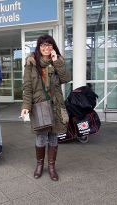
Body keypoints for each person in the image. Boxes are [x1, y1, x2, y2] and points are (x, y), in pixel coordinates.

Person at [20, 35, 70, 181]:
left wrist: (57, 62)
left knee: (54, 137)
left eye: (49, 45)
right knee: (41, 137)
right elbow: (27, 87)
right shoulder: (31, 63)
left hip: (55, 105)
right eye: (43, 45)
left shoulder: (57, 61)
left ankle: (52, 167)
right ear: (38, 47)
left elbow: (66, 79)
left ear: (53, 47)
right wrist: (26, 106)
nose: (46, 48)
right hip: (39, 105)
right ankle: (40, 165)